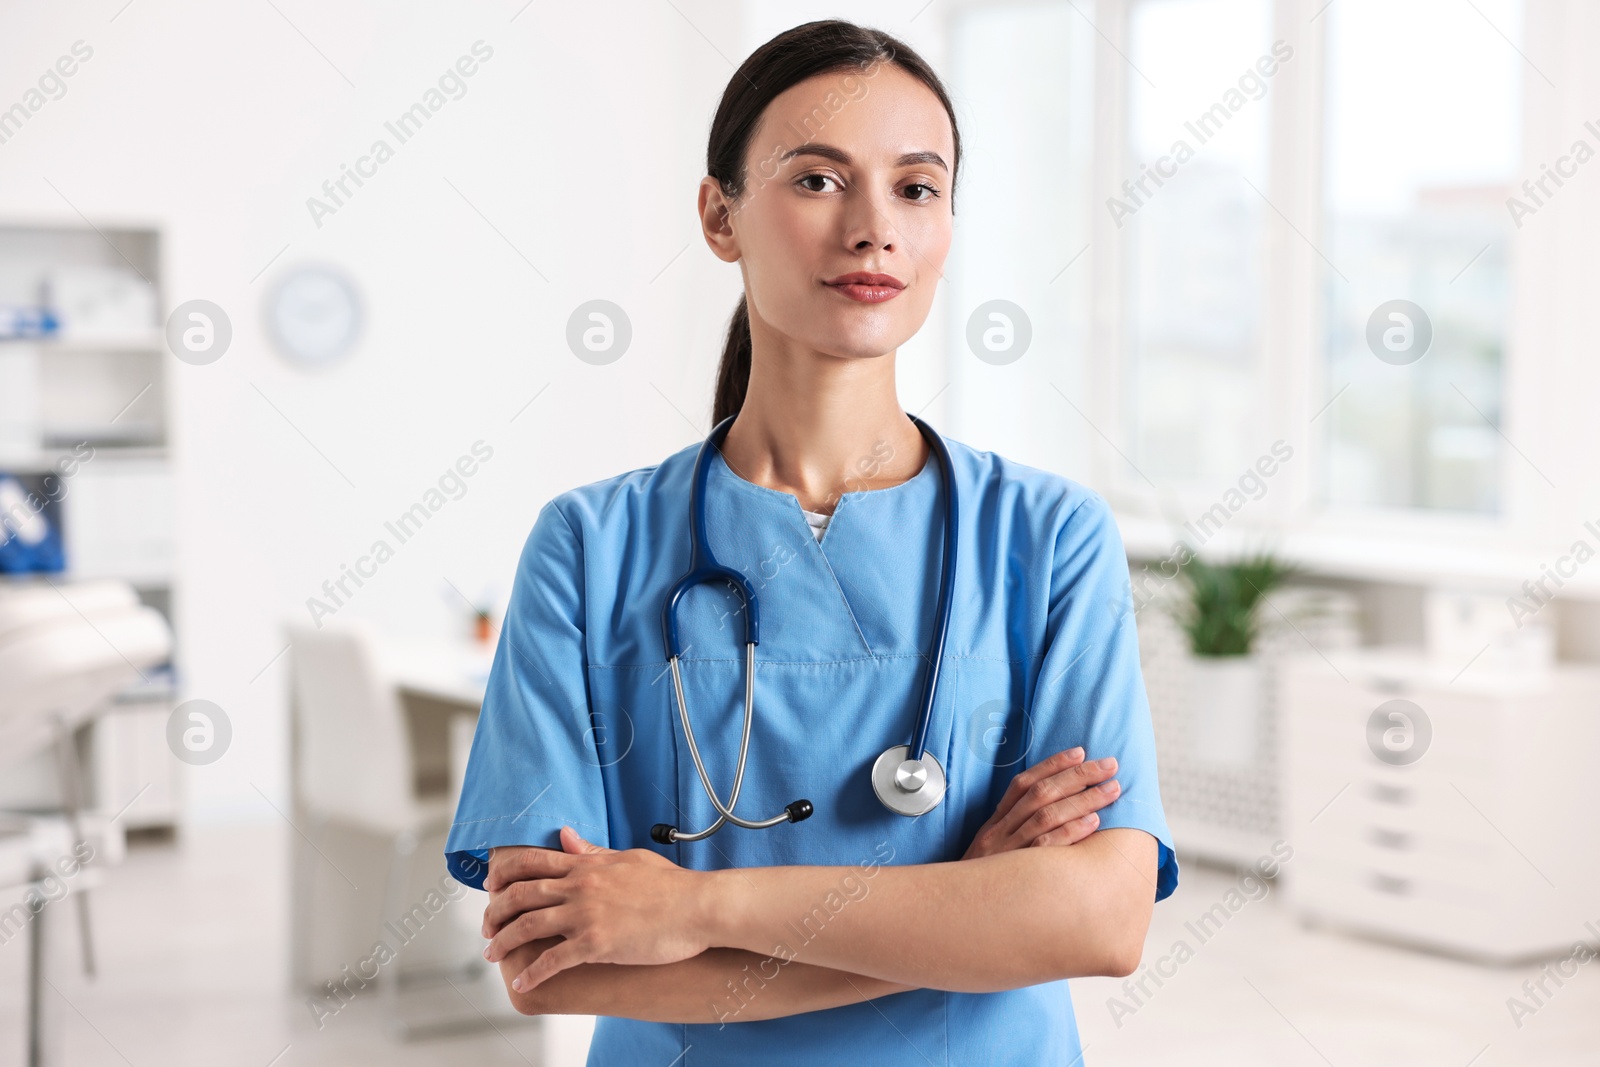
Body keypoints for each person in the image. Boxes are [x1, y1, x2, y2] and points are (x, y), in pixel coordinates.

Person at [445, 18, 1178, 1064]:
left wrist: (694, 908)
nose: (874, 228)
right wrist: (966, 903)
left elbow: (1100, 922)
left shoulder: (1050, 537)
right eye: (819, 180)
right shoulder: (588, 545)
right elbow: (557, 962)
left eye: (916, 188)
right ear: (719, 214)